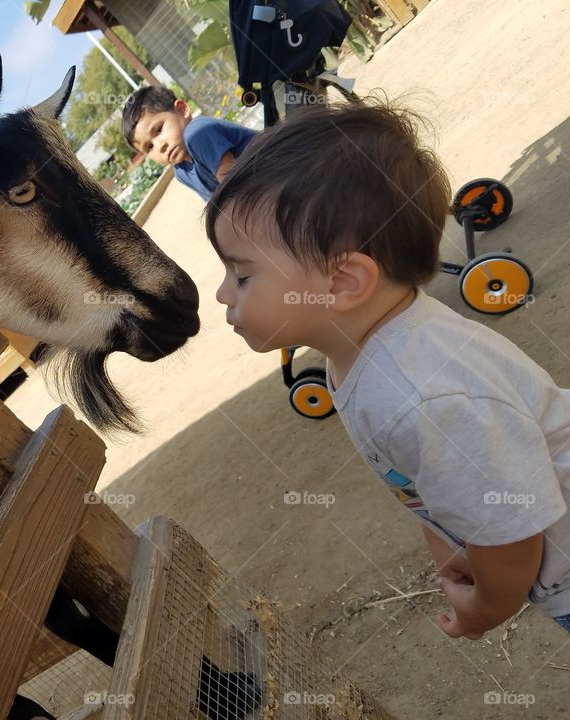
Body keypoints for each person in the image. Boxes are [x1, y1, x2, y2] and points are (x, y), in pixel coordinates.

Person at [206, 100, 570, 639]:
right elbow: (432, 482)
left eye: (241, 275)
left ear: (344, 282)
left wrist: (488, 608)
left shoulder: (418, 395)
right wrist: (446, 540)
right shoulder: (363, 349)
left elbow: (511, 530)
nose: (221, 294)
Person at [122, 86, 256, 202]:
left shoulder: (197, 133)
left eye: (159, 130)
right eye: (149, 147)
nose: (160, 146)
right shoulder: (181, 172)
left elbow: (237, 187)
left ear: (182, 109)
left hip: (272, 168)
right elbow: (217, 204)